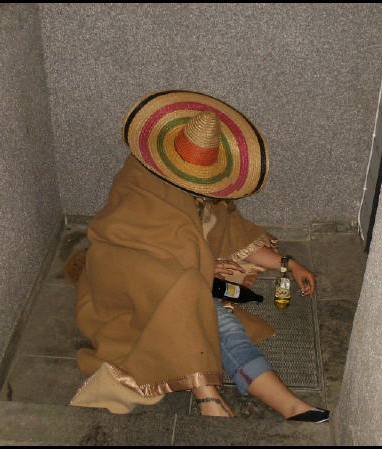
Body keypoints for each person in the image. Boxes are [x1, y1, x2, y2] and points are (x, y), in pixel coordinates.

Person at [66, 90, 329, 422]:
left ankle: (284, 405)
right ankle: (208, 394)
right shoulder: (139, 179)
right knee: (195, 298)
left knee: (208, 312)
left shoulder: (206, 190)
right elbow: (136, 241)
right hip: (126, 272)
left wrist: (289, 264)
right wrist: (202, 266)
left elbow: (229, 234)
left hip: (179, 275)